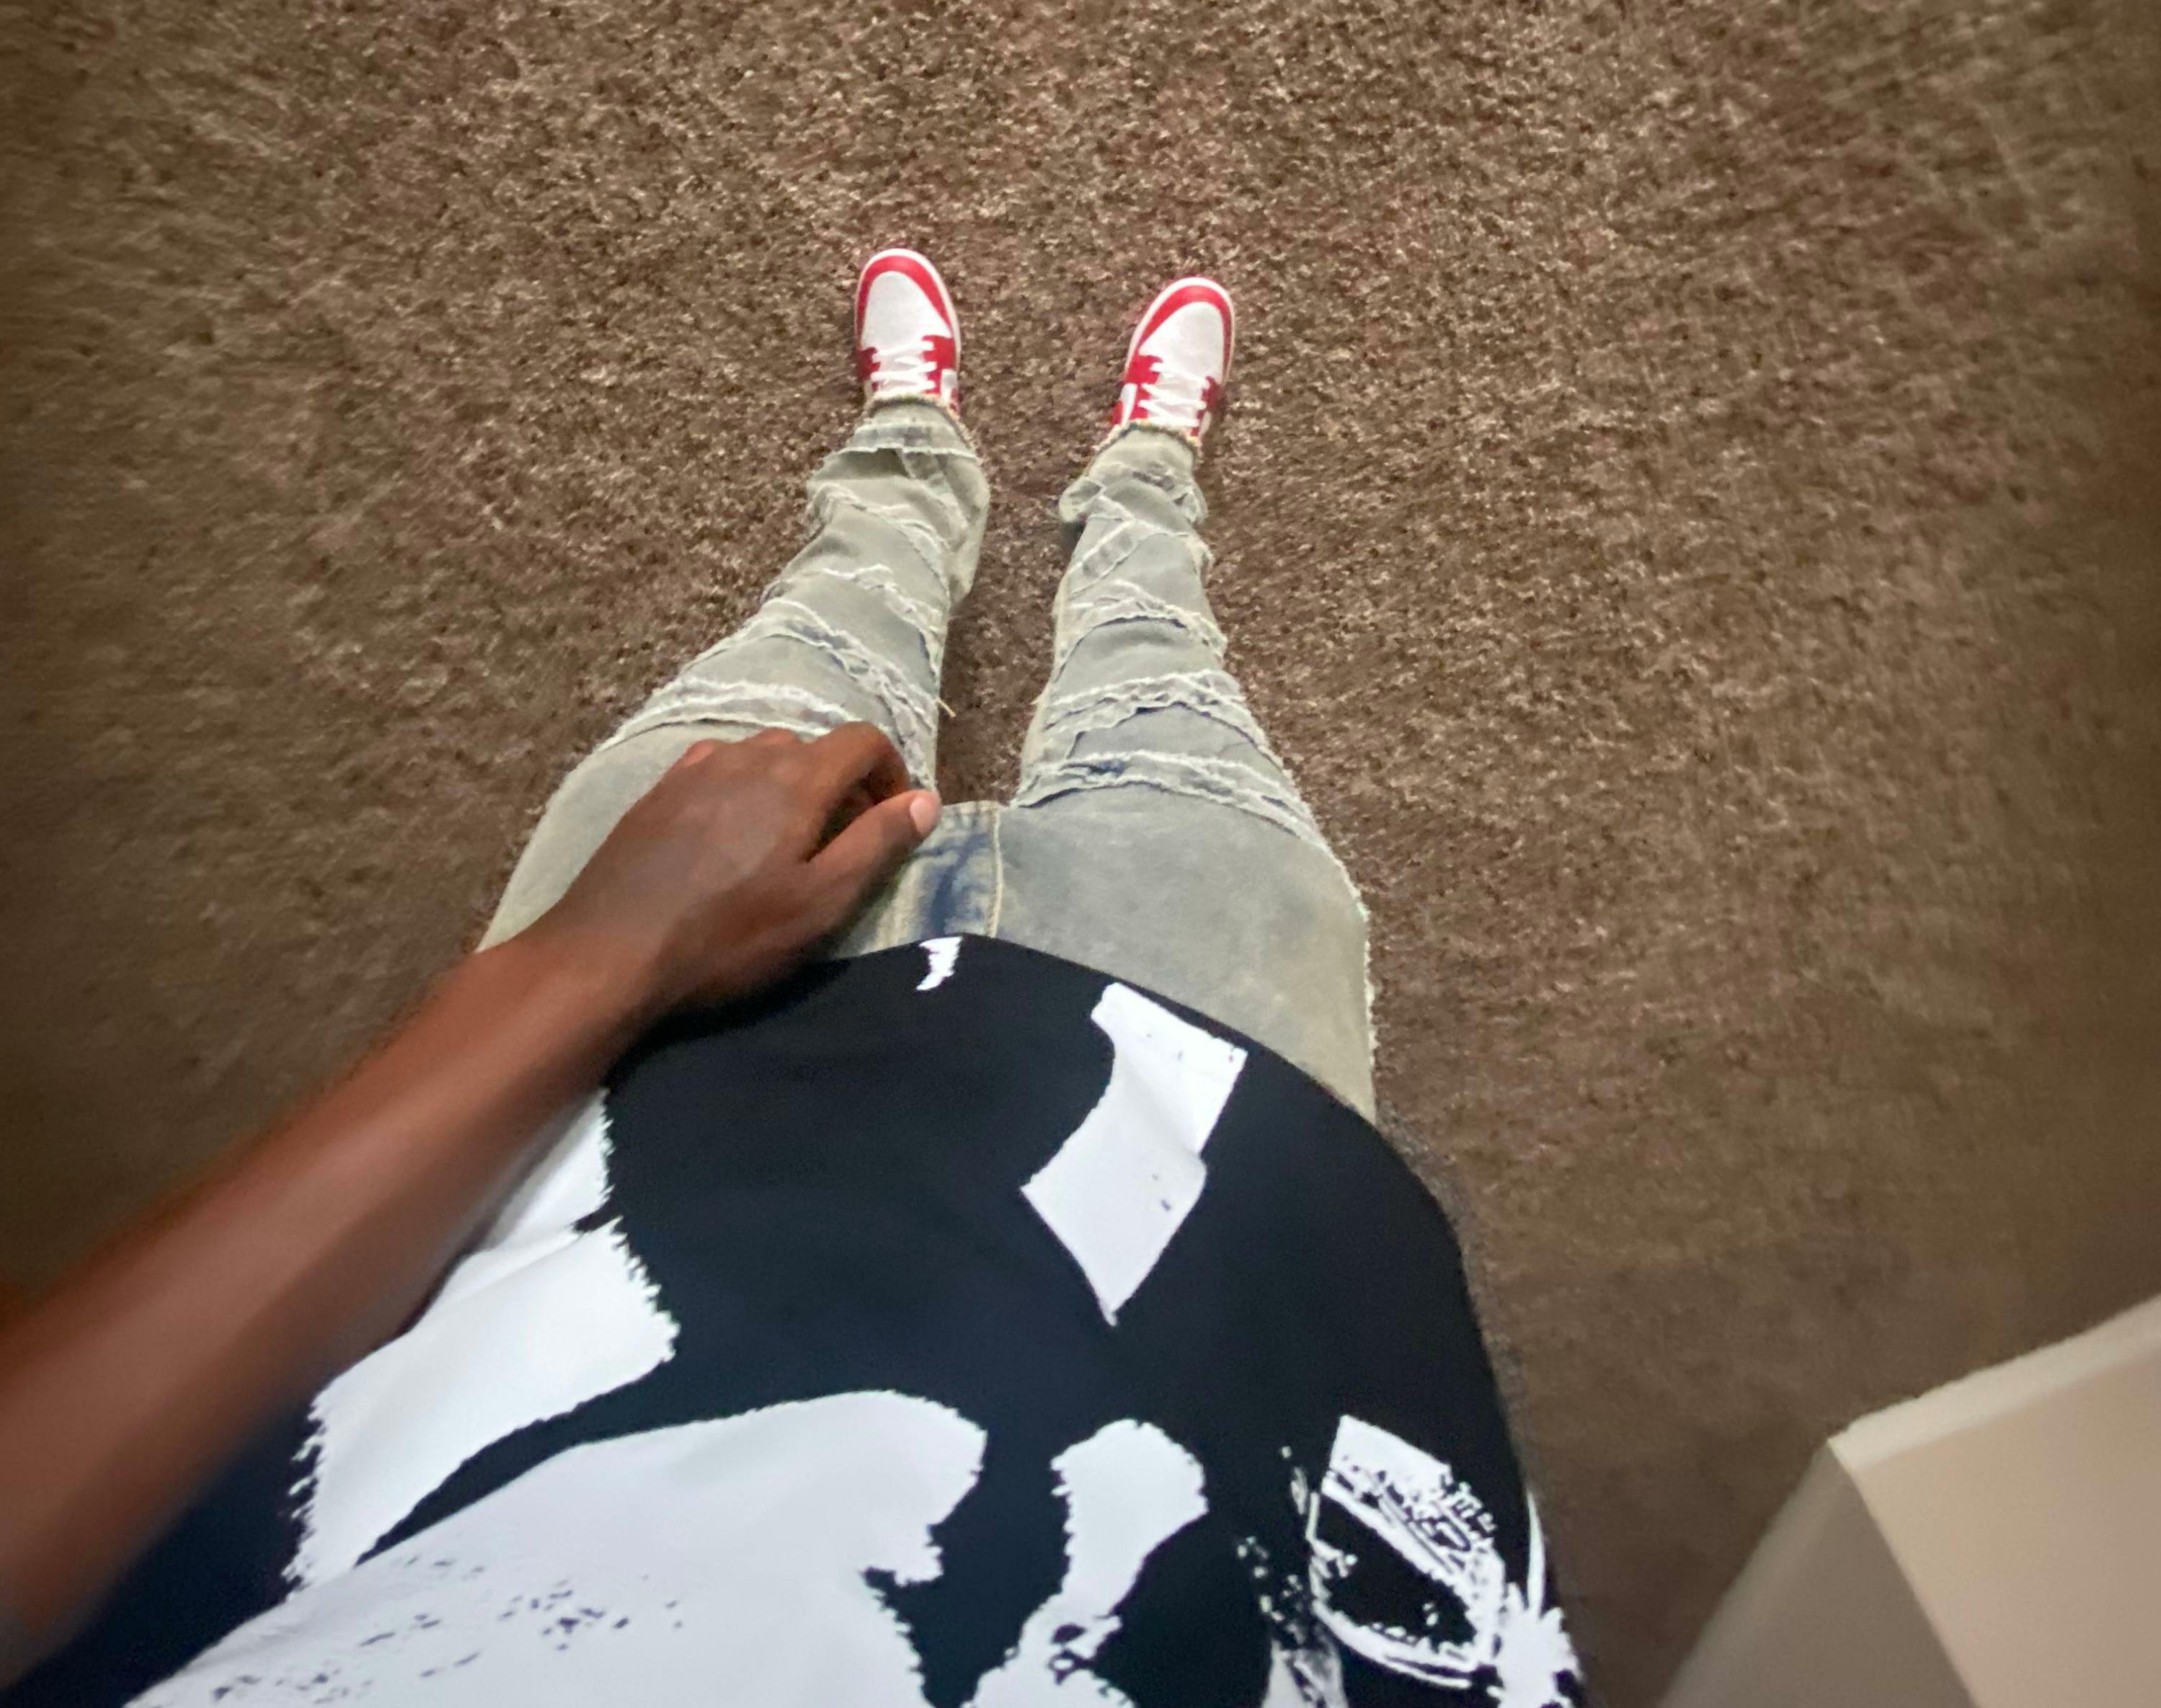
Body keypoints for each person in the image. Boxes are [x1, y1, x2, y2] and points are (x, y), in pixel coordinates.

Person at [0, 256, 1583, 1707]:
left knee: (833, 621)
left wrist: (597, 956)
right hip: (1208, 1154)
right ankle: (1141, 487)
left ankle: (917, 452)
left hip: (624, 1090)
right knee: (1162, 672)